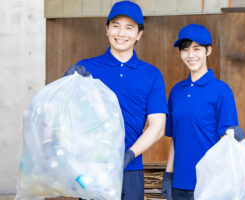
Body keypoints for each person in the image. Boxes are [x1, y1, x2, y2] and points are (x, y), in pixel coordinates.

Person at [64, 1, 168, 199]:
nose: (121, 33)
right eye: (116, 26)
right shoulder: (86, 69)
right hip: (92, 169)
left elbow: (158, 127)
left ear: (139, 34)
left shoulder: (151, 75)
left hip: (131, 170)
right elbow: (62, 116)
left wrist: (128, 155)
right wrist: (67, 82)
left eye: (129, 27)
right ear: (107, 30)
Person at [161, 24, 245, 200]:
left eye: (197, 49)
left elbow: (226, 141)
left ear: (208, 51)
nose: (190, 55)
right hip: (179, 184)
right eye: (185, 50)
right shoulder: (176, 91)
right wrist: (168, 175)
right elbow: (175, 139)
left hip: (211, 184)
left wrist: (236, 137)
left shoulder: (221, 91)